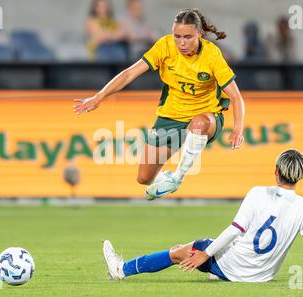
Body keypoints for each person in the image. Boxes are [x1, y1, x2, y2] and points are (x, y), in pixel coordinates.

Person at [102, 149, 303, 283]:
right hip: (264, 276)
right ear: (301, 176)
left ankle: (120, 270)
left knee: (179, 251)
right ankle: (214, 269)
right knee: (209, 246)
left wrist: (205, 254)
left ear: (275, 170)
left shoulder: (257, 192)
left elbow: (235, 230)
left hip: (235, 267)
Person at [74, 8, 245, 200]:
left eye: (187, 37)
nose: (181, 43)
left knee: (199, 124)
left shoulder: (212, 55)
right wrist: (99, 97)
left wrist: (238, 128)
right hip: (170, 118)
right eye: (177, 36)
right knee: (144, 178)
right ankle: (168, 178)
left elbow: (236, 97)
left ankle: (177, 179)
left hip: (207, 117)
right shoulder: (164, 46)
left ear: (199, 33)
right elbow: (130, 73)